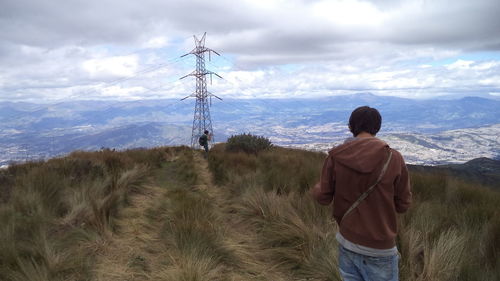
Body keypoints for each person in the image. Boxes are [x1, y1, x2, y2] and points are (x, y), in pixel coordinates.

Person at [311, 106, 412, 281]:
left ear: (351, 127)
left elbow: (323, 198)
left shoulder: (336, 157)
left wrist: (316, 188)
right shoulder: (394, 158)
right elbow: (403, 205)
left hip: (347, 242)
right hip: (380, 247)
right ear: (377, 127)